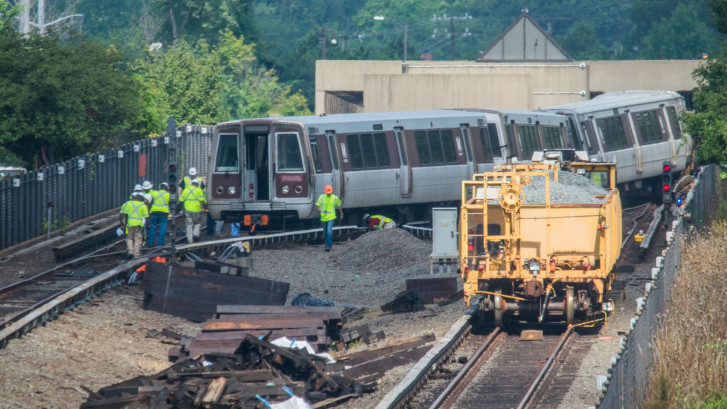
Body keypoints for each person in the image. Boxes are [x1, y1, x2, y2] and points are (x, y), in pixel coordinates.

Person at [120, 192, 149, 259]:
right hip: (139, 225)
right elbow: (146, 217)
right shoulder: (143, 206)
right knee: (137, 239)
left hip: (130, 224)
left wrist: (126, 223)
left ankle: (130, 252)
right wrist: (146, 225)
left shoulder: (129, 204)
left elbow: (125, 214)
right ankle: (136, 254)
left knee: (129, 238)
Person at [316, 185, 343, 252]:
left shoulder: (334, 198)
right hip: (323, 217)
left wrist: (341, 213)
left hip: (331, 216)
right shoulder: (321, 197)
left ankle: (328, 246)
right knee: (325, 232)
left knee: (328, 231)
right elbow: (318, 204)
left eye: (329, 192)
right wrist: (318, 208)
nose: (328, 193)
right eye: (327, 192)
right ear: (325, 191)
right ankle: (329, 244)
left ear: (331, 191)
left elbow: (339, 205)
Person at [179, 178, 206, 243]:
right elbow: (202, 200)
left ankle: (190, 240)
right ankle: (196, 234)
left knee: (189, 224)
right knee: (197, 223)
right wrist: (202, 208)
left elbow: (181, 200)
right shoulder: (199, 190)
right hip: (196, 210)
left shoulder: (185, 190)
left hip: (187, 210)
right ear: (197, 184)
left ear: (191, 183)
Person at [148, 182, 171, 247]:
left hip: (154, 212)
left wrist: (149, 210)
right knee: (162, 228)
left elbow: (150, 202)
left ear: (160, 187)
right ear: (167, 188)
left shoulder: (154, 193)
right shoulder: (168, 194)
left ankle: (151, 243)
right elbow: (170, 203)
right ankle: (160, 244)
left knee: (152, 228)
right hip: (163, 213)